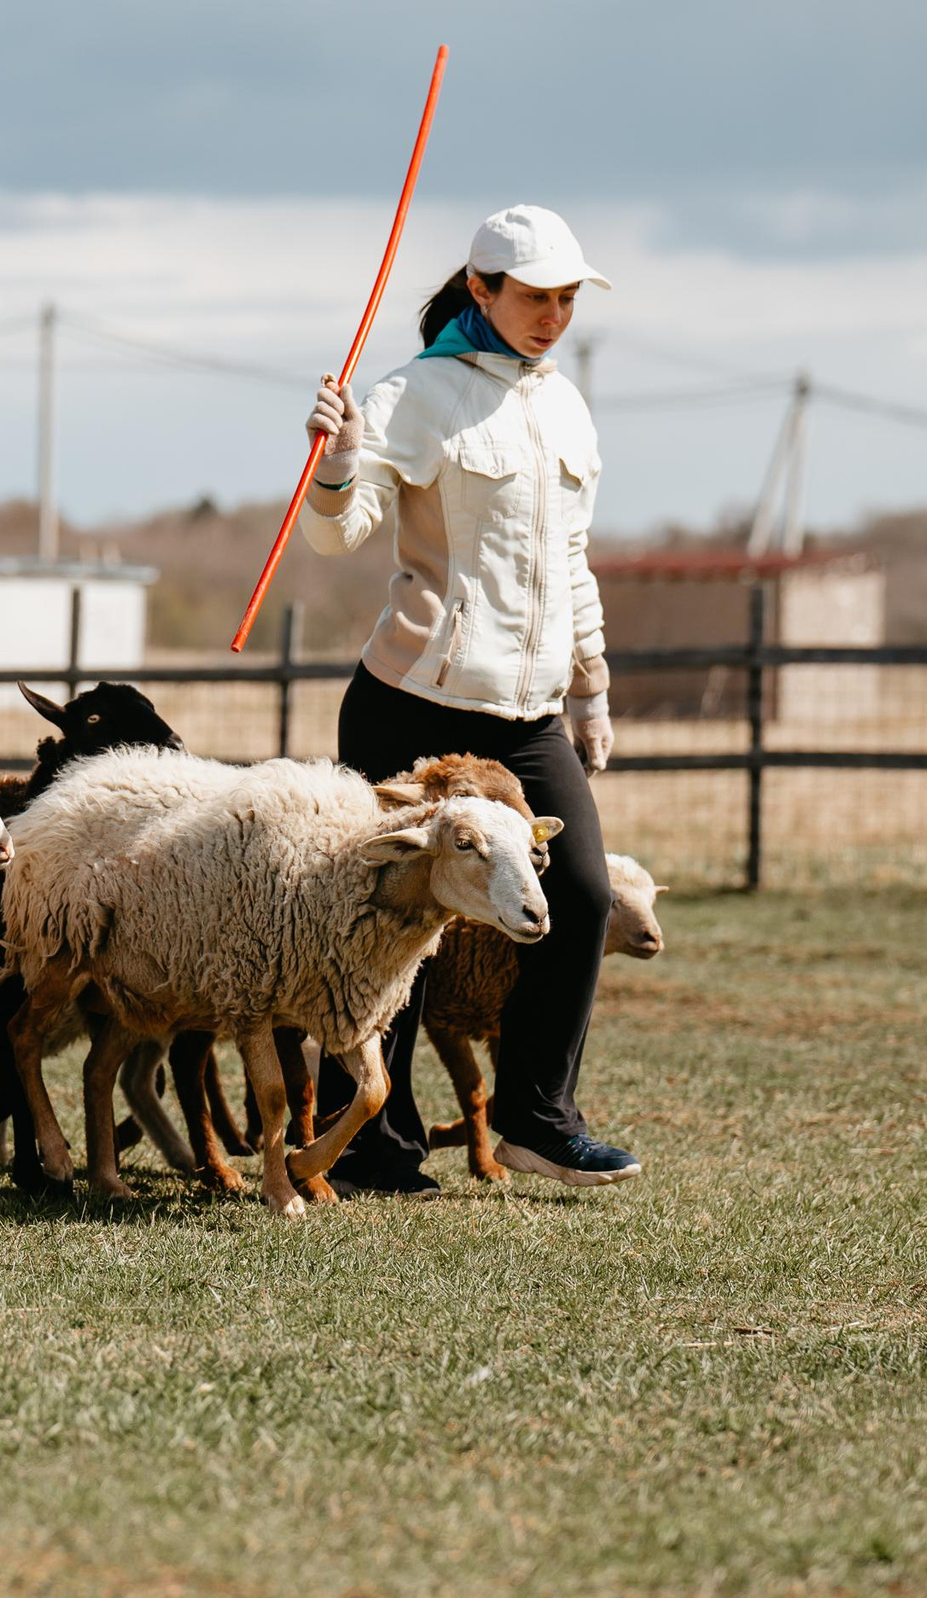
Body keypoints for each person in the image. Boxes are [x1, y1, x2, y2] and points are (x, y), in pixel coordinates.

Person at [300, 204, 641, 1196]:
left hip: (528, 716)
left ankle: (540, 1121)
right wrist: (331, 468)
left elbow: (571, 561)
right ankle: (367, 1139)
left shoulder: (566, 406)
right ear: (480, 290)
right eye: (534, 296)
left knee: (576, 894)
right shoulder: (411, 394)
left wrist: (592, 687)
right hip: (410, 703)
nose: (553, 315)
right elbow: (337, 534)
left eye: (567, 298)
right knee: (383, 919)